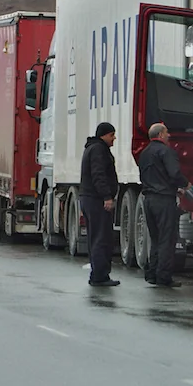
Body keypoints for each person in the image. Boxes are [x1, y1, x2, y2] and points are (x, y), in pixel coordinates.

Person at [138, 123, 188, 287]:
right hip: (164, 200)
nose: (169, 135)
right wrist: (184, 184)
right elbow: (174, 173)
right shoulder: (166, 152)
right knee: (167, 238)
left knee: (156, 238)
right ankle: (164, 277)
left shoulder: (144, 153)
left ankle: (152, 273)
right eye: (166, 132)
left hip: (149, 199)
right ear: (160, 135)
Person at [80, 122, 120, 287]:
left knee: (96, 237)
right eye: (112, 135)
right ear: (104, 135)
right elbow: (98, 175)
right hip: (96, 200)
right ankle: (99, 276)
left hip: (90, 198)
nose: (114, 138)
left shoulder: (93, 148)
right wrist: (106, 196)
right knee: (101, 238)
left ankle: (98, 273)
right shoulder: (98, 150)